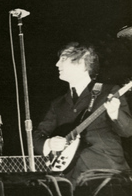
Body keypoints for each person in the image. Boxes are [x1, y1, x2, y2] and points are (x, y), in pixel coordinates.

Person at [33, 42, 132, 182]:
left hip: (107, 173)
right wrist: (49, 143)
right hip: (69, 178)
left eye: (63, 59)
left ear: (81, 62)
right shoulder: (57, 104)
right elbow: (38, 135)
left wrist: (115, 113)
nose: (57, 64)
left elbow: (127, 131)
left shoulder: (109, 91)